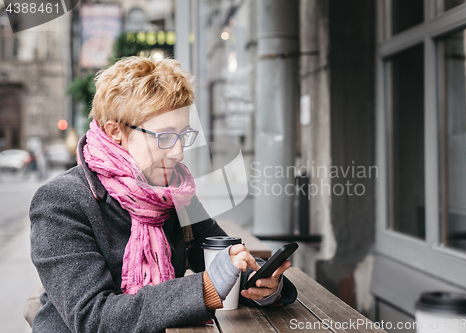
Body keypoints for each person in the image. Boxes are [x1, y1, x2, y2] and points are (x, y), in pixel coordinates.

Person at [29, 56, 297, 332]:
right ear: (115, 131)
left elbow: (218, 258)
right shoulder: (60, 202)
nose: (179, 152)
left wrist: (263, 283)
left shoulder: (175, 192)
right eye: (165, 137)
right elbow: (93, 318)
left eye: (183, 135)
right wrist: (205, 288)